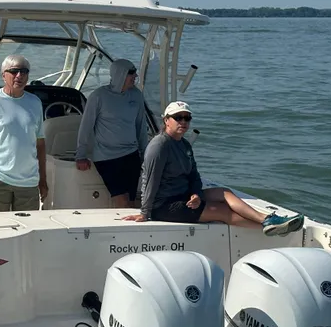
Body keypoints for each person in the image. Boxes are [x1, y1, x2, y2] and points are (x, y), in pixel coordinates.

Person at [123, 101, 304, 236]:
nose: (183, 122)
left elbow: (194, 176)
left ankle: (267, 220)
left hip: (184, 195)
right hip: (163, 205)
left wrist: (195, 194)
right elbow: (150, 180)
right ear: (166, 120)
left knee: (224, 193)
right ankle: (272, 229)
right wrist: (145, 213)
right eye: (178, 117)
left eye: (187, 118)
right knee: (222, 211)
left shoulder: (184, 145)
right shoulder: (159, 145)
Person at [0, 54, 48, 212]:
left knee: (28, 231)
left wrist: (43, 180)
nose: (19, 75)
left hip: (29, 183)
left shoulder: (35, 102)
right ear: (3, 75)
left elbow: (40, 144)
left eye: (24, 71)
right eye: (14, 71)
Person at [75, 58, 148, 208]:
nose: (135, 76)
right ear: (119, 74)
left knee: (132, 200)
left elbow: (141, 125)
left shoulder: (136, 95)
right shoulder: (98, 96)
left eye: (135, 73)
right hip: (106, 157)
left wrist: (145, 155)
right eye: (131, 73)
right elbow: (86, 126)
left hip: (131, 154)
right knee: (121, 200)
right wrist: (80, 155)